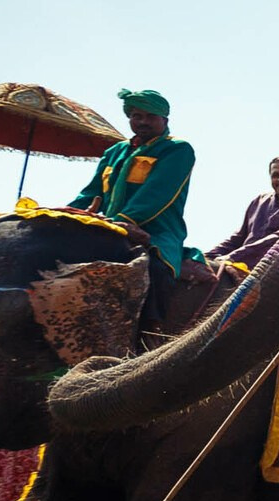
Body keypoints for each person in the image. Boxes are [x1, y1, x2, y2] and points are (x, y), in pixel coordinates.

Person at [71, 89, 199, 325]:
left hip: (157, 233)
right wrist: (67, 214)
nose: (143, 122)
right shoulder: (114, 152)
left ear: (164, 120)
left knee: (156, 270)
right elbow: (91, 194)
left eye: (150, 116)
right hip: (108, 228)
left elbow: (157, 194)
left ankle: (151, 333)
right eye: (137, 116)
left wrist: (122, 221)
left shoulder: (177, 150)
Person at [206, 156, 279, 268]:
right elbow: (238, 237)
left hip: (271, 268)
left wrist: (232, 257)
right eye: (275, 175)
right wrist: (208, 256)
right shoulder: (259, 201)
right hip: (237, 264)